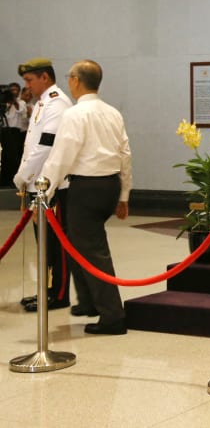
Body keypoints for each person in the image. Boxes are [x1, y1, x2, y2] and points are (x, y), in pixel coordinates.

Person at [40, 59, 132, 335]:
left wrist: (45, 186)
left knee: (92, 250)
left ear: (76, 81)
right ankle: (89, 302)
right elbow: (125, 153)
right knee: (79, 243)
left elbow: (62, 155)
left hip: (87, 187)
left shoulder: (75, 114)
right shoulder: (113, 112)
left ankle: (113, 316)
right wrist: (124, 194)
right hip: (110, 185)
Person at [13, 58, 73, 312]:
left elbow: (46, 145)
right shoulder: (42, 103)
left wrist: (22, 175)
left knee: (55, 243)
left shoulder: (57, 103)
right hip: (38, 183)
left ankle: (58, 294)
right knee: (44, 241)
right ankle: (46, 290)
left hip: (52, 184)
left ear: (45, 77)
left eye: (30, 80)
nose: (27, 86)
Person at [1, 82, 26, 186]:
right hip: (4, 130)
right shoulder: (4, 101)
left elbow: (22, 112)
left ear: (19, 91)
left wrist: (14, 101)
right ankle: (3, 179)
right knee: (4, 155)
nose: (13, 92)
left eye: (16, 90)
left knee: (13, 156)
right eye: (11, 90)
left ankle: (12, 178)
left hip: (15, 133)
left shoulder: (21, 102)